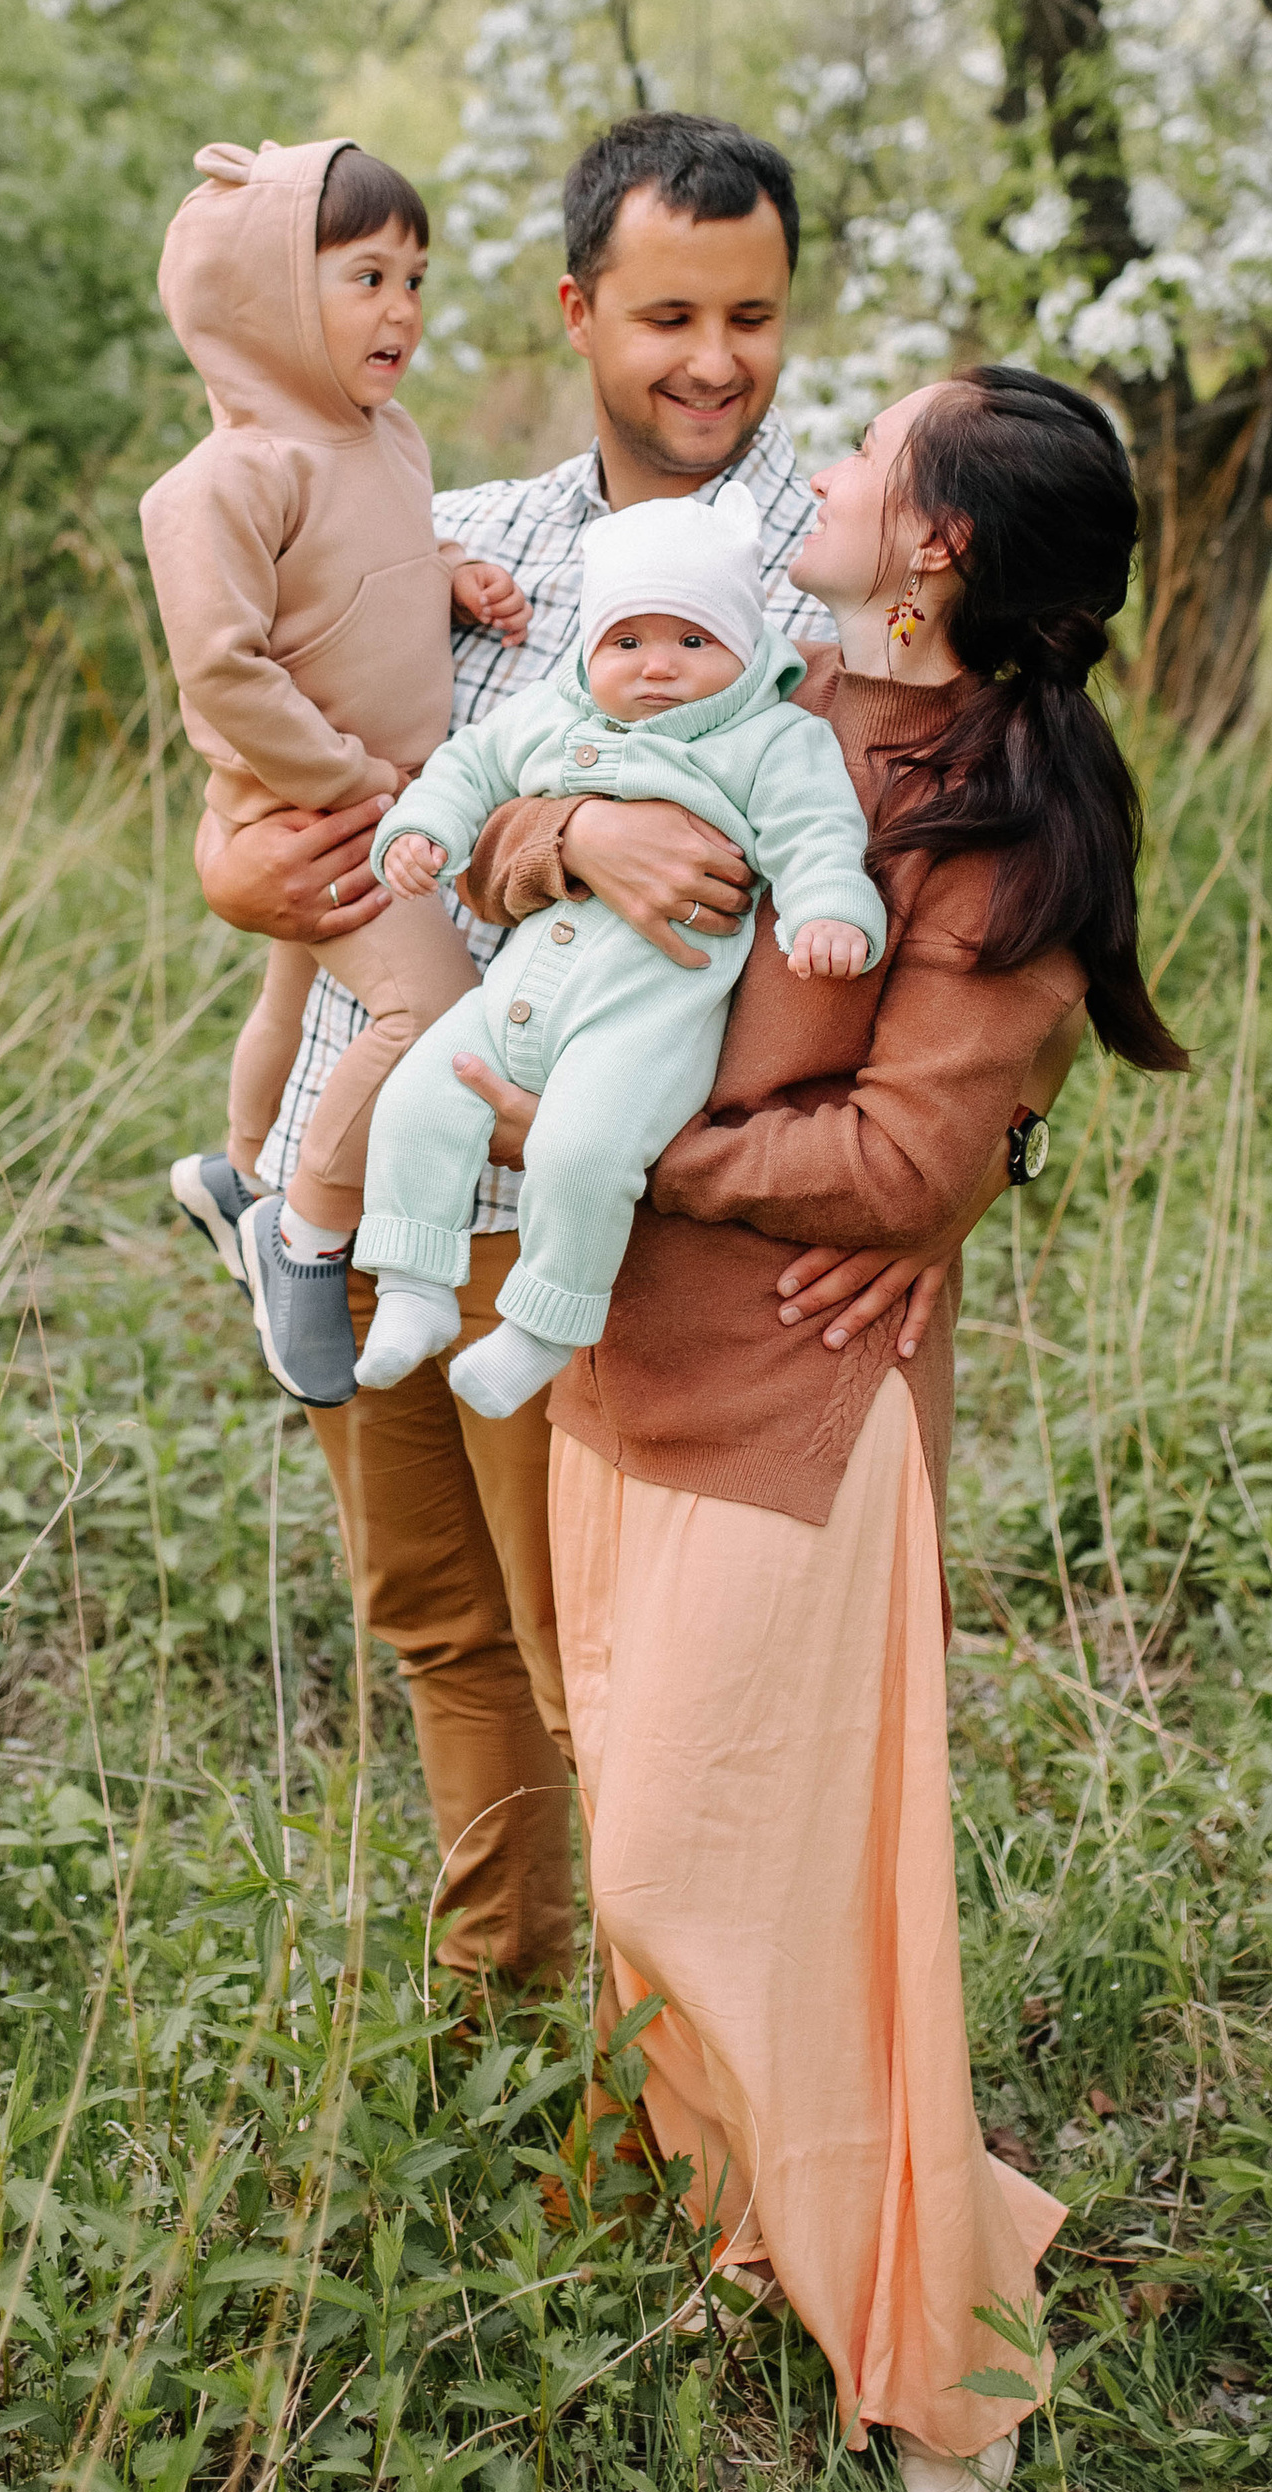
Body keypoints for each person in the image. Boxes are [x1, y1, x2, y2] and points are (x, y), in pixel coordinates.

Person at [456, 364, 1186, 2492]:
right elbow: (499, 825)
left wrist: (620, 1142)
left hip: (788, 1396)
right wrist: (572, 830)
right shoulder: (745, 659)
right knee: (654, 1868)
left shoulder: (1000, 817)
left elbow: (895, 1155)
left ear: (939, 545)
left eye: (876, 454)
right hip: (611, 1360)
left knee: (734, 1873)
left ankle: (930, 2348)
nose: (830, 465)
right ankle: (747, 2236)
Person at [182, 113, 957, 1986]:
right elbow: (299, 806)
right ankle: (491, 2010)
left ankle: (649, 2092)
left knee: (588, 1654)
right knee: (437, 1621)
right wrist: (258, 869)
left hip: (604, 1205)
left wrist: (961, 1164)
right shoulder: (454, 540)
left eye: (754, 315)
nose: (714, 358)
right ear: (580, 309)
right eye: (670, 311)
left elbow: (964, 891)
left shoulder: (846, 578)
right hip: (367, 1154)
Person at [137, 135, 528, 1404]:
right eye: (366, 276)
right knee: (425, 1014)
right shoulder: (226, 479)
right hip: (324, 799)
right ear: (266, 298)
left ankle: (242, 1168)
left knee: (295, 998)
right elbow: (224, 668)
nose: (401, 309)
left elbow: (384, 558)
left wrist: (455, 568)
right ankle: (302, 1232)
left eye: (415, 279)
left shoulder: (386, 436)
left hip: (372, 781)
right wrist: (355, 780)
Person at [352, 483, 883, 1417]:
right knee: (414, 1105)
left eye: (693, 640)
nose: (659, 669)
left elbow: (816, 837)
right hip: (513, 994)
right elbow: (469, 767)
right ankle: (413, 1287)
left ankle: (544, 1327)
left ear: (747, 646)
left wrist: (830, 911)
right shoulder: (556, 714)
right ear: (591, 649)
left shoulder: (772, 740)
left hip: (644, 1021)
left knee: (583, 1152)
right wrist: (421, 830)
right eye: (627, 643)